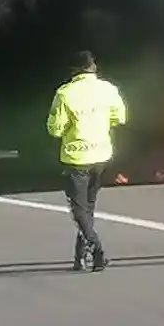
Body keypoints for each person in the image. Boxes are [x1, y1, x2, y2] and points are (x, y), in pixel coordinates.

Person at [46, 51, 128, 272]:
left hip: (76, 157)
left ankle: (97, 249)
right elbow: (120, 118)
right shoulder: (108, 89)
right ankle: (79, 256)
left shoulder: (65, 93)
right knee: (88, 207)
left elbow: (54, 129)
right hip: (101, 153)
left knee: (79, 210)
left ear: (73, 71)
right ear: (94, 68)